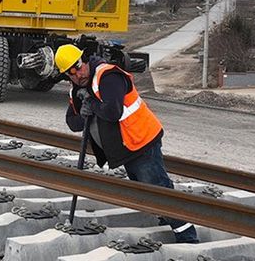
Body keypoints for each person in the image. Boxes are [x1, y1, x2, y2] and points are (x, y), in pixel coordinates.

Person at [54, 43, 199, 244]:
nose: (77, 74)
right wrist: (86, 111)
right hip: (127, 148)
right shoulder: (77, 91)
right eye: (70, 73)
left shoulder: (108, 76)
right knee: (148, 192)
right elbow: (73, 123)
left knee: (158, 190)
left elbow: (113, 112)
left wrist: (93, 105)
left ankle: (188, 239)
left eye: (78, 67)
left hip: (143, 140)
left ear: (85, 60)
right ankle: (168, 222)